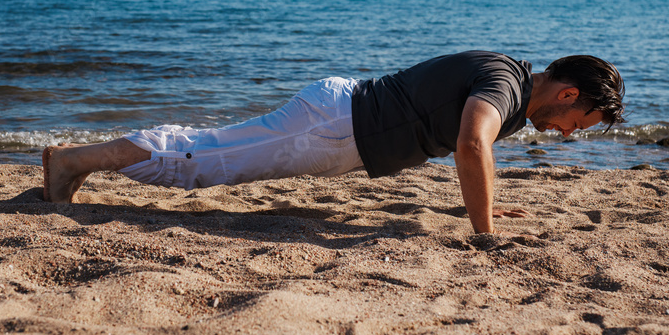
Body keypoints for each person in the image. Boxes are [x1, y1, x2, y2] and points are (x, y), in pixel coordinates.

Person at [42, 51, 625, 234]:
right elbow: (473, 145)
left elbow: (471, 148)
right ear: (569, 96)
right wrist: (485, 234)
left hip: (341, 126)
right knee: (201, 159)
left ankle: (75, 162)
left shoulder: (518, 97)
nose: (571, 135)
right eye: (581, 123)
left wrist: (486, 204)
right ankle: (71, 162)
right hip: (334, 125)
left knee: (210, 156)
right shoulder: (505, 84)